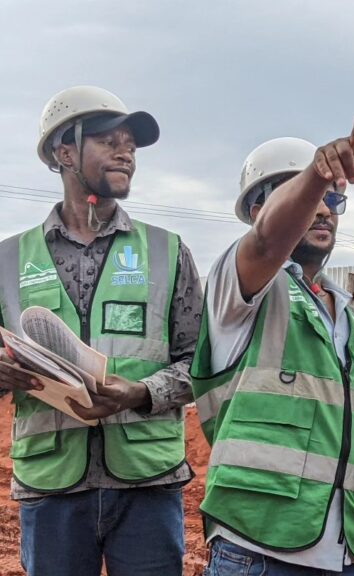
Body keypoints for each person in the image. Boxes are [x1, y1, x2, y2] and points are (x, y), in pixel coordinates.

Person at [0, 85, 201, 575]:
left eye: (130, 144)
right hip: (52, 486)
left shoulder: (167, 251)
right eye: (109, 141)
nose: (125, 153)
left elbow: (203, 362)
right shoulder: (7, 260)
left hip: (146, 485)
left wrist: (141, 392)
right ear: (64, 152)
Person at [190, 119, 354, 575]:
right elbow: (268, 244)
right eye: (307, 194)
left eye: (333, 199)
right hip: (261, 552)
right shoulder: (239, 291)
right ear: (256, 210)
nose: (323, 209)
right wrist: (317, 176)